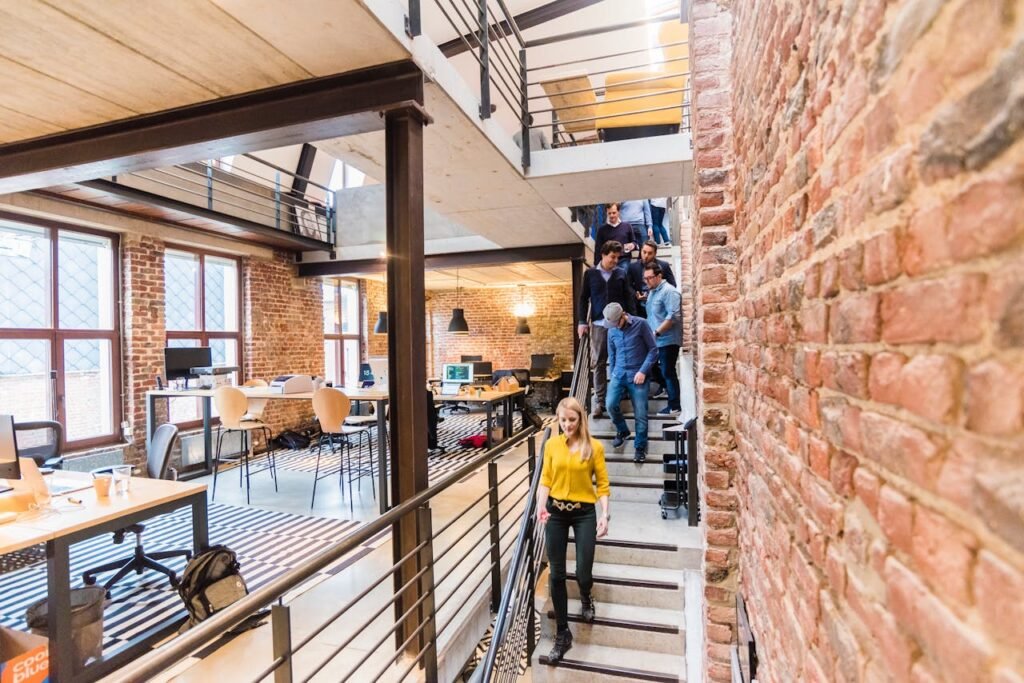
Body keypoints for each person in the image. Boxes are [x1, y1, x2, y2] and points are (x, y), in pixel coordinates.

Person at [537, 396, 610, 664]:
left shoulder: (594, 448)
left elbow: (602, 485)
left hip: (584, 513)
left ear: (581, 420)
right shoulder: (552, 446)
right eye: (563, 420)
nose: (567, 425)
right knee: (556, 573)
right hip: (556, 512)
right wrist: (540, 505)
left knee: (582, 570)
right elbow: (546, 478)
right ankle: (563, 633)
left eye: (572, 420)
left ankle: (586, 595)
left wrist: (605, 514)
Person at [578, 241, 635, 418]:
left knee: (620, 362)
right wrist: (582, 321)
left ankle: (618, 397)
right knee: (599, 363)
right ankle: (600, 402)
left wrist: (631, 317)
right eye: (612, 257)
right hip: (598, 325)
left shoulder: (620, 273)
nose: (615, 261)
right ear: (603, 255)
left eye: (618, 257)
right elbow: (582, 299)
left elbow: (628, 297)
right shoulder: (590, 274)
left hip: (619, 326)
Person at [603, 302, 657, 463]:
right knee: (610, 404)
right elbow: (612, 354)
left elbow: (654, 350)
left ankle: (639, 447)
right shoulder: (611, 330)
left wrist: (643, 371)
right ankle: (622, 430)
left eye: (616, 323)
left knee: (640, 414)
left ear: (623, 315)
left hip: (637, 374)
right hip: (619, 374)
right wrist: (613, 374)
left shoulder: (641, 324)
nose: (614, 327)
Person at [645, 263, 683, 416]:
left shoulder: (669, 292)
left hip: (667, 339)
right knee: (652, 367)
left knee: (668, 371)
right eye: (645, 279)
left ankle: (674, 406)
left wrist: (656, 333)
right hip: (655, 340)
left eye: (650, 278)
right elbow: (654, 314)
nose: (647, 281)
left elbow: (673, 316)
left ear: (659, 276)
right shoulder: (652, 292)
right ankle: (666, 387)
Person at [626, 241, 677, 317]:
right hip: (640, 306)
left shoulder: (664, 266)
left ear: (655, 254)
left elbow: (672, 284)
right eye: (644, 252)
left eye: (650, 253)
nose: (646, 256)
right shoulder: (633, 267)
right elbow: (628, 286)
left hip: (659, 306)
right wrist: (636, 294)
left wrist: (658, 293)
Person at [593, 203, 641, 269]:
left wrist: (633, 245)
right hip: (608, 260)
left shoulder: (627, 226)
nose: (611, 215)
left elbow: (635, 242)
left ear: (618, 212)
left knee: (623, 274)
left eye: (614, 213)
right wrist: (597, 265)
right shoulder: (602, 230)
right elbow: (598, 248)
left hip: (623, 259)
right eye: (609, 213)